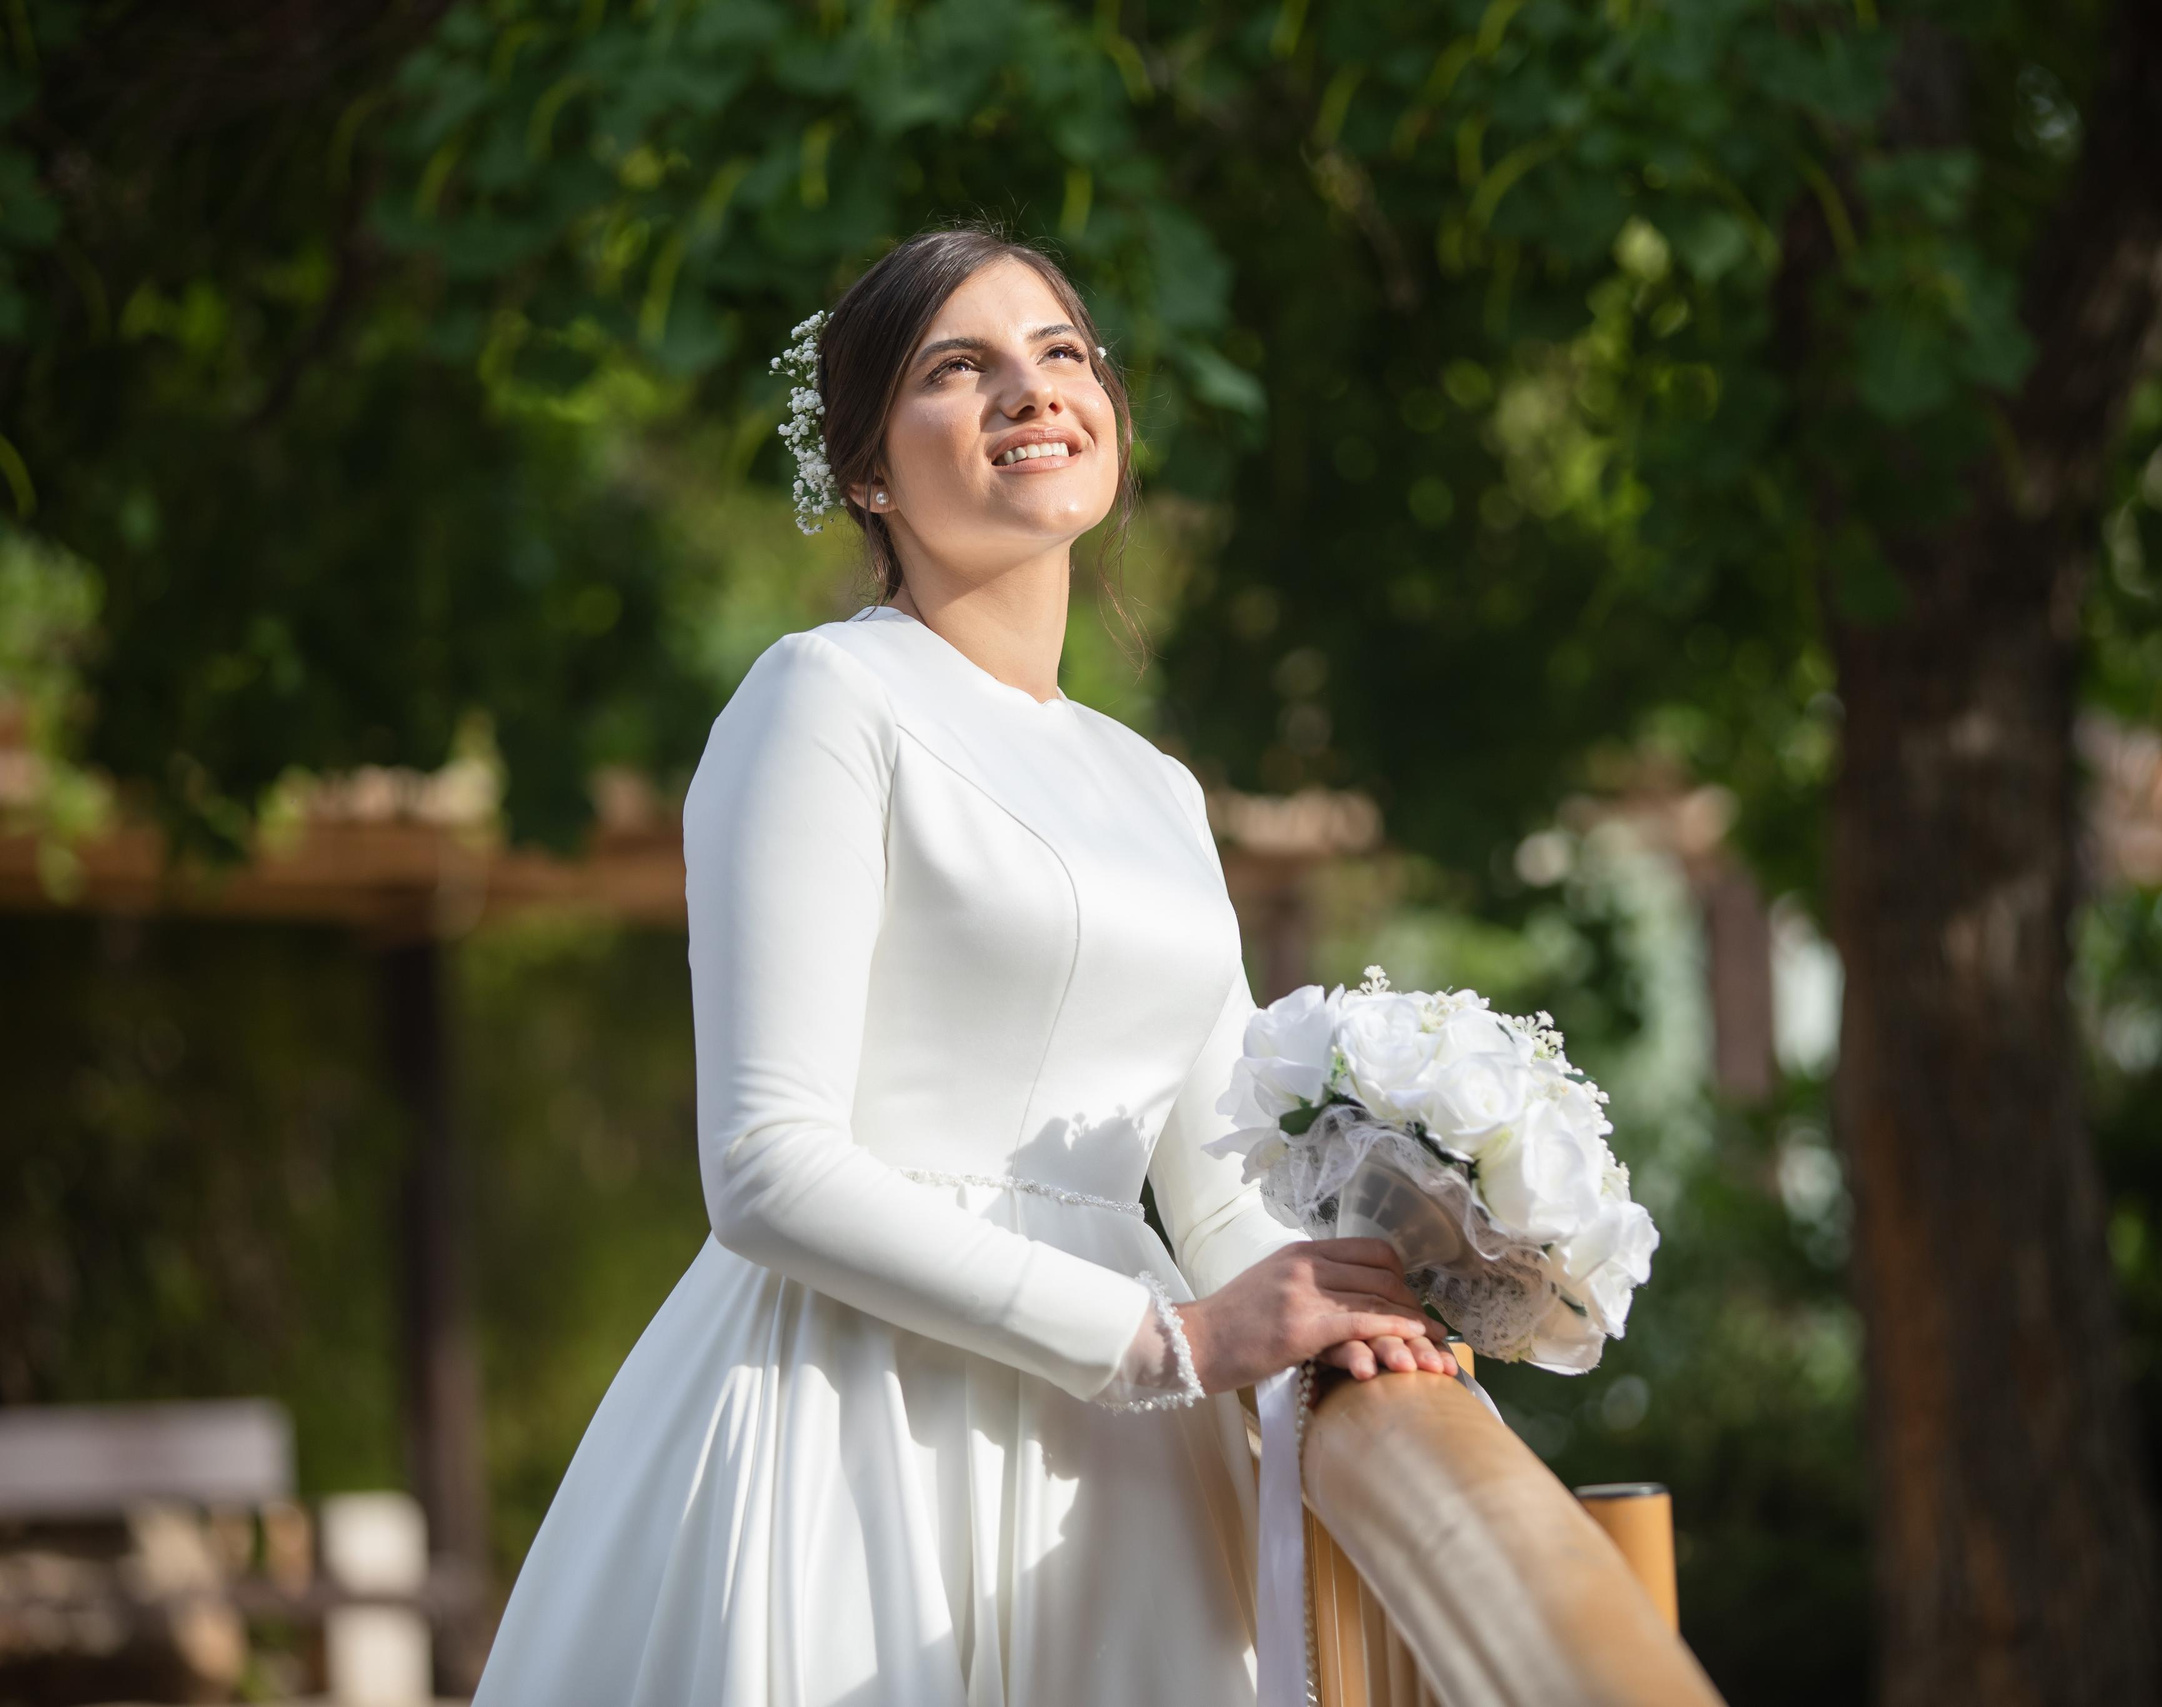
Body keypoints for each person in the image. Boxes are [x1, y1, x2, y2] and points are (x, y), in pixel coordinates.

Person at [472, 226, 1456, 1707]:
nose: (1033, 391)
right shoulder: (821, 699)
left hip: (1123, 1485)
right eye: (960, 368)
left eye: (1063, 353)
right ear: (867, 468)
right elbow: (764, 1164)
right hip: (861, 1430)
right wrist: (1163, 1337)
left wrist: (1383, 1295)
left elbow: (1213, 1180)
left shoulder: (1159, 791)